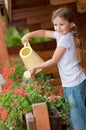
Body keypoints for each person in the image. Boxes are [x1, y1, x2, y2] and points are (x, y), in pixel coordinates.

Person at [22, 7, 86, 130]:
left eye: (61, 24)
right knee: (75, 117)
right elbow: (44, 33)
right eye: (55, 24)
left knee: (78, 122)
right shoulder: (62, 35)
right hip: (73, 83)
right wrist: (29, 34)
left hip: (74, 84)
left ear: (71, 24)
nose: (58, 27)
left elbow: (54, 60)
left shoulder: (66, 38)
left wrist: (35, 66)